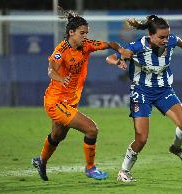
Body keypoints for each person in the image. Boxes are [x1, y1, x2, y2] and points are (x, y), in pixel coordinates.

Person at [31, 8, 132, 181]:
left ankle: (41, 161)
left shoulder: (86, 45)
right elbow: (51, 71)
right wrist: (61, 79)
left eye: (86, 33)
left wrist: (121, 51)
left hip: (70, 101)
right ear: (71, 32)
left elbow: (110, 44)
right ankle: (90, 168)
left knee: (57, 136)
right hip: (56, 102)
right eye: (82, 33)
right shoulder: (61, 50)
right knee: (92, 129)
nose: (85, 36)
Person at [106, 15, 182, 182]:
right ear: (150, 35)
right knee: (142, 138)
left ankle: (176, 148)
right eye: (161, 37)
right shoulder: (137, 46)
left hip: (164, 90)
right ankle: (124, 171)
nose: (166, 40)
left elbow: (178, 40)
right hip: (142, 92)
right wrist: (117, 62)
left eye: (167, 36)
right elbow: (113, 57)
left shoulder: (171, 40)